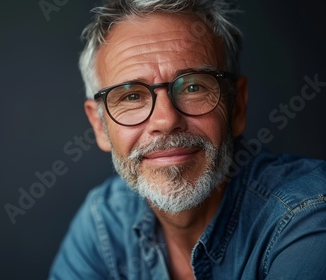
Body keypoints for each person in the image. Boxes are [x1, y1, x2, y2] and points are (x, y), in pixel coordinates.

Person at [49, 0, 326, 279]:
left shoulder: (306, 217)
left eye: (193, 87)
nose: (166, 121)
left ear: (237, 107)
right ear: (99, 126)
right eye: (131, 96)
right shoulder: (103, 221)